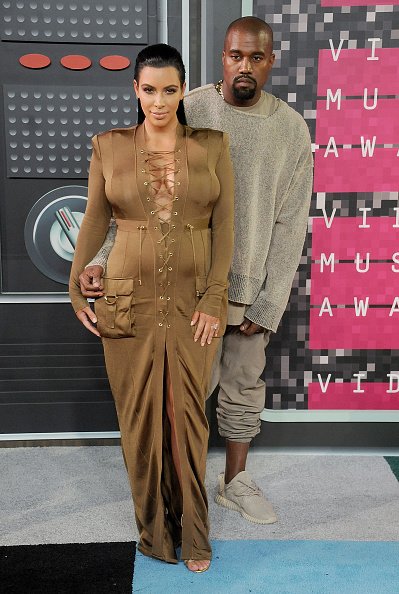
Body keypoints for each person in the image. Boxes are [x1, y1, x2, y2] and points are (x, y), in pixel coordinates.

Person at [78, 17, 313, 525]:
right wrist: (97, 261)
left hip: (249, 284)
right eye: (235, 56)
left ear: (271, 60)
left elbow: (291, 220)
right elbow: (141, 203)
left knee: (243, 384)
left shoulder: (291, 128)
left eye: (255, 57)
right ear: (221, 57)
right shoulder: (192, 106)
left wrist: (270, 301)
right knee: (178, 396)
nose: (244, 66)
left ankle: (235, 482)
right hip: (184, 283)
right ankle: (177, 492)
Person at [69, 43, 234, 573]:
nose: (158, 101)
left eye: (169, 90)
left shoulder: (212, 144)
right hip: (126, 298)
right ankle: (155, 534)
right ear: (134, 91)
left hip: (194, 304)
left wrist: (215, 295)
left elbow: (224, 226)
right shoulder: (108, 146)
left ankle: (196, 534)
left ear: (183, 90)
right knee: (138, 420)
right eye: (148, 90)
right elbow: (96, 220)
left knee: (186, 417)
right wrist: (79, 279)